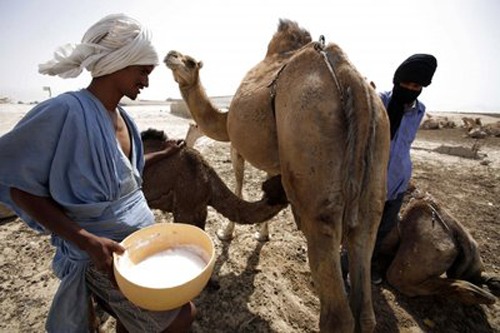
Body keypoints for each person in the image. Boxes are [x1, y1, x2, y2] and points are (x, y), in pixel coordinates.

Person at [0, 14, 195, 332]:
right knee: (181, 317)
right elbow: (19, 187)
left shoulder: (126, 120)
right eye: (143, 71)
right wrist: (88, 241)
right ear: (119, 61)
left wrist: (164, 154)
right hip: (100, 258)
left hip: (138, 248)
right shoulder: (65, 112)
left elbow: (125, 178)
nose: (146, 82)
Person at [371, 53, 438, 284]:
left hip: (398, 182)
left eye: (416, 86)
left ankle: (369, 267)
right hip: (373, 181)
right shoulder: (380, 101)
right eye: (406, 84)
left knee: (383, 230)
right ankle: (347, 266)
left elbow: (403, 145)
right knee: (362, 227)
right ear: (396, 81)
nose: (410, 89)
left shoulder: (419, 111)